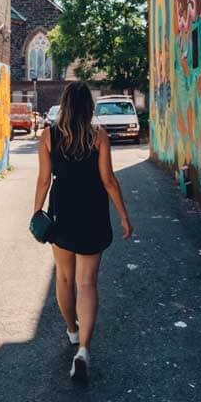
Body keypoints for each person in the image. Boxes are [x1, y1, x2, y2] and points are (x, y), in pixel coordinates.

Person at [32, 81, 133, 382]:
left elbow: (43, 181)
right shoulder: (99, 136)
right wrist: (125, 217)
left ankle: (73, 331)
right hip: (93, 214)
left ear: (64, 105)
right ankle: (84, 350)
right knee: (87, 283)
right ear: (89, 107)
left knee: (64, 277)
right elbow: (109, 181)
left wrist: (36, 212)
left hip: (62, 214)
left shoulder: (48, 136)